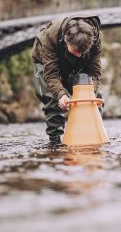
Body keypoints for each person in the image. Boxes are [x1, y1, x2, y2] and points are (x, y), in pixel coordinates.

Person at [31, 15, 102, 145]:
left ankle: (90, 138)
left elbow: (95, 72)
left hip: (81, 64)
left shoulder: (95, 38)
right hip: (45, 60)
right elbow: (51, 75)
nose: (79, 55)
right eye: (76, 51)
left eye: (82, 52)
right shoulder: (50, 36)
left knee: (94, 97)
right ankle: (55, 144)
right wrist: (61, 95)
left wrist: (92, 92)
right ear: (66, 40)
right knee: (52, 99)